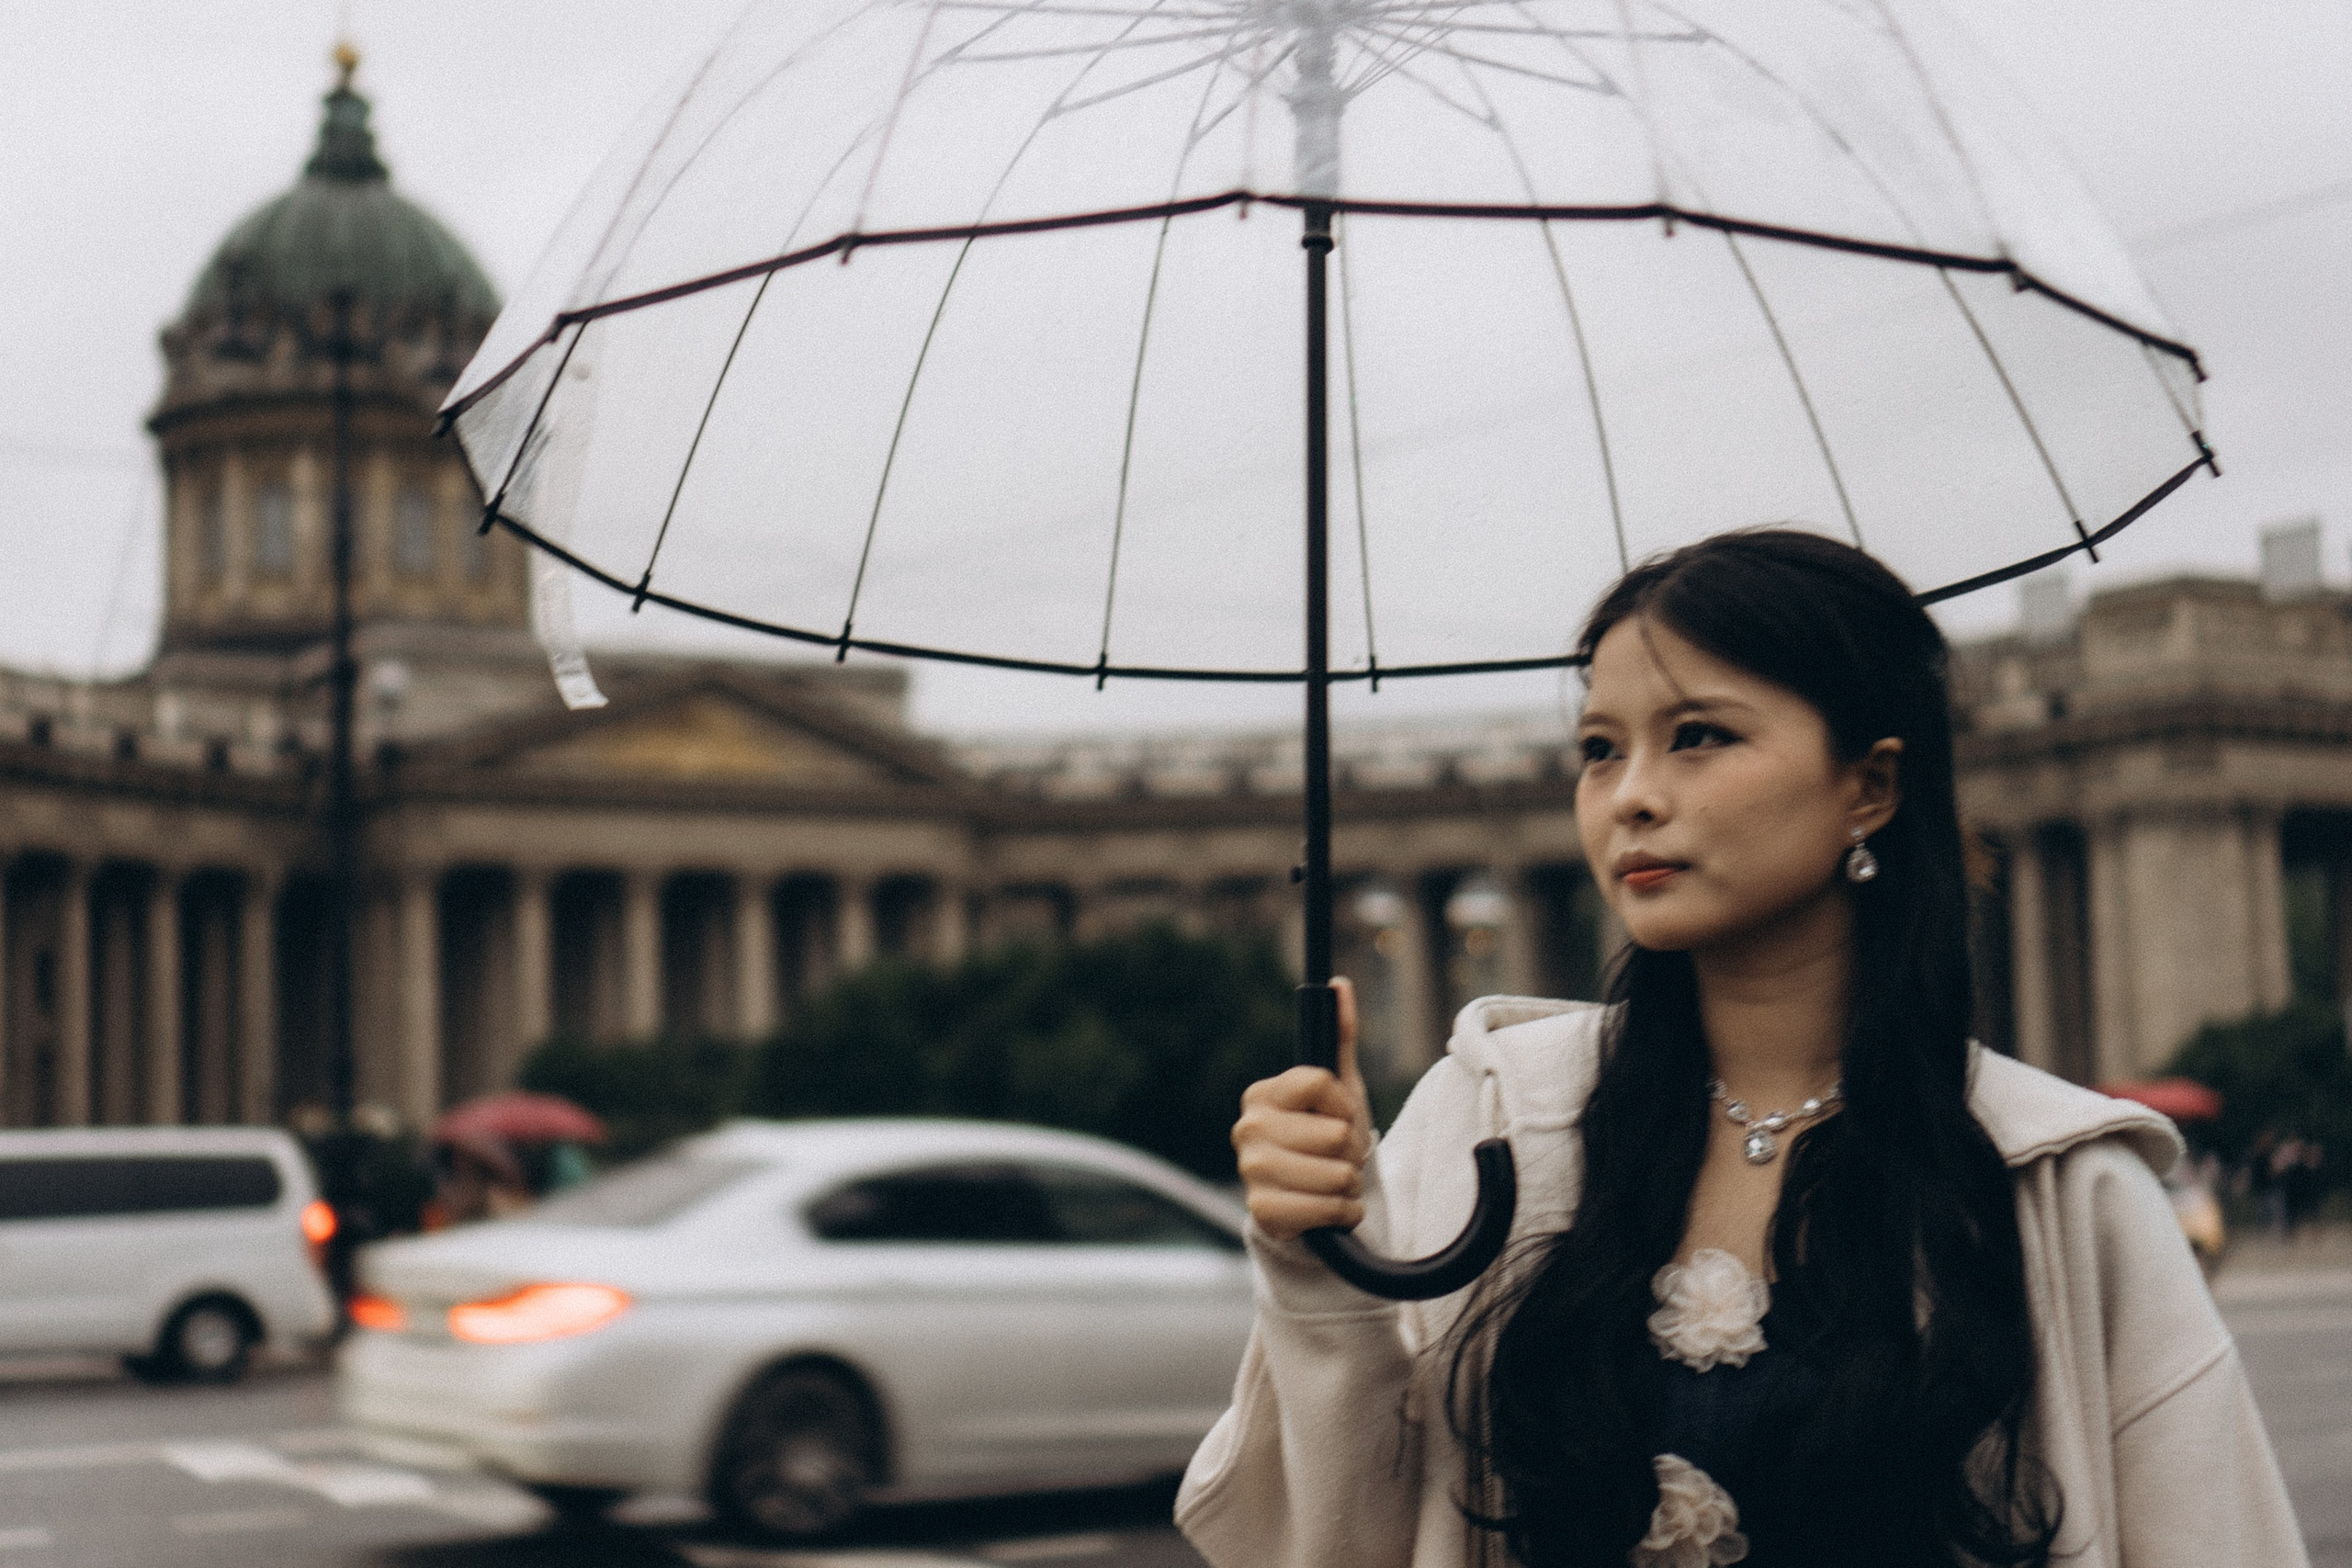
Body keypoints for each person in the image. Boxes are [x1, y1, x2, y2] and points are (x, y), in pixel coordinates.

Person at [1178, 532, 2304, 1568]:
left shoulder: (2058, 1184)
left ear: (1870, 785)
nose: (1631, 797)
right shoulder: (1488, 1119)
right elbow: (1341, 1541)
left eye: (1698, 737)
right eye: (1598, 750)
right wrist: (1314, 1261)